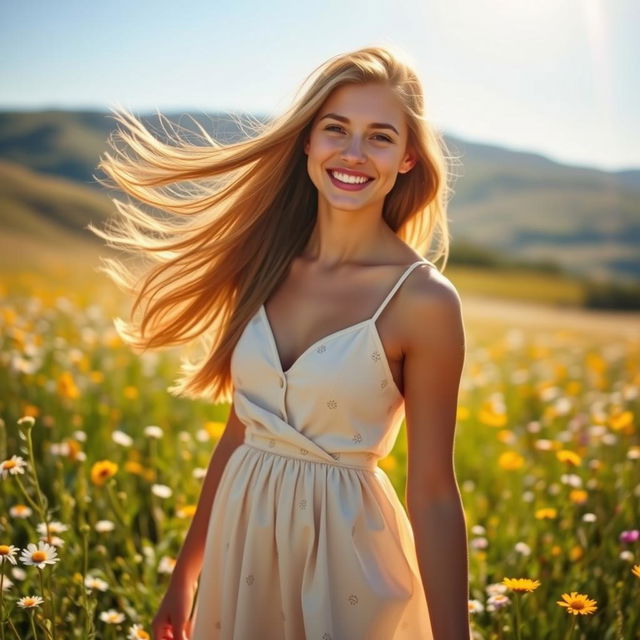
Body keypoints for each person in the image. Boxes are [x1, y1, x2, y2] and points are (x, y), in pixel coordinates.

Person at [91, 45, 469, 640]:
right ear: (307, 143)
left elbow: (434, 494)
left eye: (379, 137)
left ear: (407, 160)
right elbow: (239, 433)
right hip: (238, 559)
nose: (352, 153)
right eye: (335, 130)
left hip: (348, 567)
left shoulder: (424, 301)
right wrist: (183, 577)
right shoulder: (265, 267)